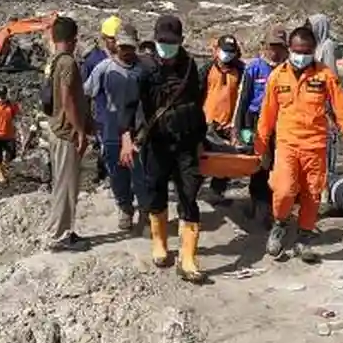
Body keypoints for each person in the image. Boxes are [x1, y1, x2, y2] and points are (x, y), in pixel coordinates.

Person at [256, 26, 343, 263]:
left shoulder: (324, 75)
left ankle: (303, 238)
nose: (301, 55)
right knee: (284, 190)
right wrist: (260, 146)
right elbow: (266, 114)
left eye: (306, 51)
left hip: (315, 146)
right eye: (297, 50)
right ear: (289, 49)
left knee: (312, 194)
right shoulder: (278, 76)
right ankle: (280, 225)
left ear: (313, 50)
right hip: (287, 145)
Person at [119, 14, 208, 283]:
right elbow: (130, 106)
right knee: (155, 191)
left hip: (186, 143)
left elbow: (198, 100)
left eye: (172, 42)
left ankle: (188, 258)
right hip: (157, 143)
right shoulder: (144, 68)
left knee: (189, 195)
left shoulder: (191, 66)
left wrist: (201, 137)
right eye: (162, 42)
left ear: (181, 41)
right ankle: (160, 244)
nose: (167, 47)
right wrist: (126, 138)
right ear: (155, 39)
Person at [84, 24, 147, 232]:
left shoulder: (143, 69)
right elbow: (87, 93)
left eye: (130, 48)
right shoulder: (104, 68)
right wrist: (89, 123)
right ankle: (125, 208)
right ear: (116, 45)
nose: (127, 52)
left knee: (141, 173)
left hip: (139, 130)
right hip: (111, 128)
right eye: (123, 47)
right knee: (117, 173)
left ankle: (146, 210)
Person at [44, 16, 92, 252]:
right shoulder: (67, 63)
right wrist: (80, 131)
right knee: (66, 184)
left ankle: (62, 230)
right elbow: (67, 99)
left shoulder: (53, 61)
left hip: (56, 128)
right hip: (65, 132)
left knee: (63, 182)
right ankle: (59, 235)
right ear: (74, 38)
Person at [233, 26, 289, 219]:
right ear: (265, 46)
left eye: (280, 46)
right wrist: (239, 128)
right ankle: (259, 204)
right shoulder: (254, 68)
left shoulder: (289, 69)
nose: (275, 51)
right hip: (257, 121)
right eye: (272, 46)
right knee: (260, 165)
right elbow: (244, 99)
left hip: (283, 122)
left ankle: (278, 206)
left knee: (281, 166)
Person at [202, 34, 245, 201]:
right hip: (207, 123)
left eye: (231, 52)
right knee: (202, 160)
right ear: (217, 50)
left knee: (227, 162)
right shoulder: (206, 69)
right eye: (224, 51)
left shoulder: (240, 70)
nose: (227, 55)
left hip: (228, 126)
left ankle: (216, 191)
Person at [306, 13, 341, 210]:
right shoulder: (315, 47)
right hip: (313, 105)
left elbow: (330, 78)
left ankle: (325, 195)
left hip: (324, 104)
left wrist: (330, 109)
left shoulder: (327, 46)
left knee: (326, 149)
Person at [82, 15, 123, 184]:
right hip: (104, 116)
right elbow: (85, 93)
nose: (116, 43)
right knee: (109, 150)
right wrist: (86, 120)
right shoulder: (93, 60)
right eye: (113, 39)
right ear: (104, 39)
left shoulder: (126, 57)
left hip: (124, 115)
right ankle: (109, 180)